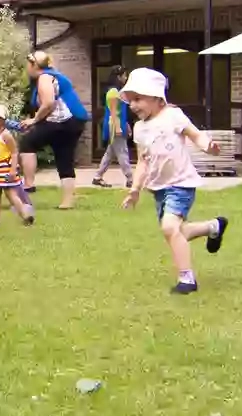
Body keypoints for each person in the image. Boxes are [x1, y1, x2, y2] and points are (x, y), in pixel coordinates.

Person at [118, 68, 229, 295]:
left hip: (180, 183)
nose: (133, 105)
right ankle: (213, 227)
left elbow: (195, 134)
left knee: (170, 228)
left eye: (138, 99)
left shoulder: (173, 116)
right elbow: (142, 161)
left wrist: (209, 146)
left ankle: (187, 279)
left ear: (158, 98)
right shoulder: (139, 129)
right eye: (130, 101)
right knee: (177, 231)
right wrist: (135, 189)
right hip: (158, 188)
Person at [20, 50, 88, 209]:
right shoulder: (55, 74)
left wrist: (34, 120)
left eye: (27, 65)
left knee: (27, 143)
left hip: (63, 120)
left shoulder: (44, 77)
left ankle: (28, 185)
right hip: (74, 121)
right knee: (64, 158)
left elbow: (49, 103)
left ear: (33, 65)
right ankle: (67, 202)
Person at [0, 103, 35, 227]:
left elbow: (14, 152)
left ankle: (25, 215)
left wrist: (13, 170)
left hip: (5, 168)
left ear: (4, 119)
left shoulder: (6, 135)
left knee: (11, 194)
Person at [91, 65, 133, 187]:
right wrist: (119, 127)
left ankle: (97, 177)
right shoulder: (113, 93)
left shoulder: (117, 92)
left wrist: (126, 125)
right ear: (118, 76)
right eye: (124, 75)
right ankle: (130, 179)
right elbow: (114, 112)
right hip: (115, 125)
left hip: (117, 123)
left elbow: (120, 112)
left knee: (110, 153)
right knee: (122, 152)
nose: (125, 78)